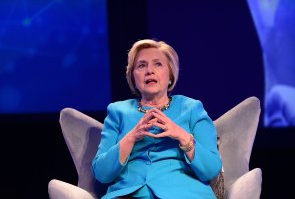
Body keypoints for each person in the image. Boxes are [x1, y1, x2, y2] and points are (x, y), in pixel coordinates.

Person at [92, 39, 222, 199]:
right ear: (133, 77)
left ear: (170, 75)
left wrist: (181, 135)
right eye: (141, 65)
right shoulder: (118, 111)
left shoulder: (192, 108)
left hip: (184, 194)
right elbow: (102, 173)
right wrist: (132, 137)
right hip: (130, 194)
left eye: (158, 64)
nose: (149, 71)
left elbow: (211, 169)